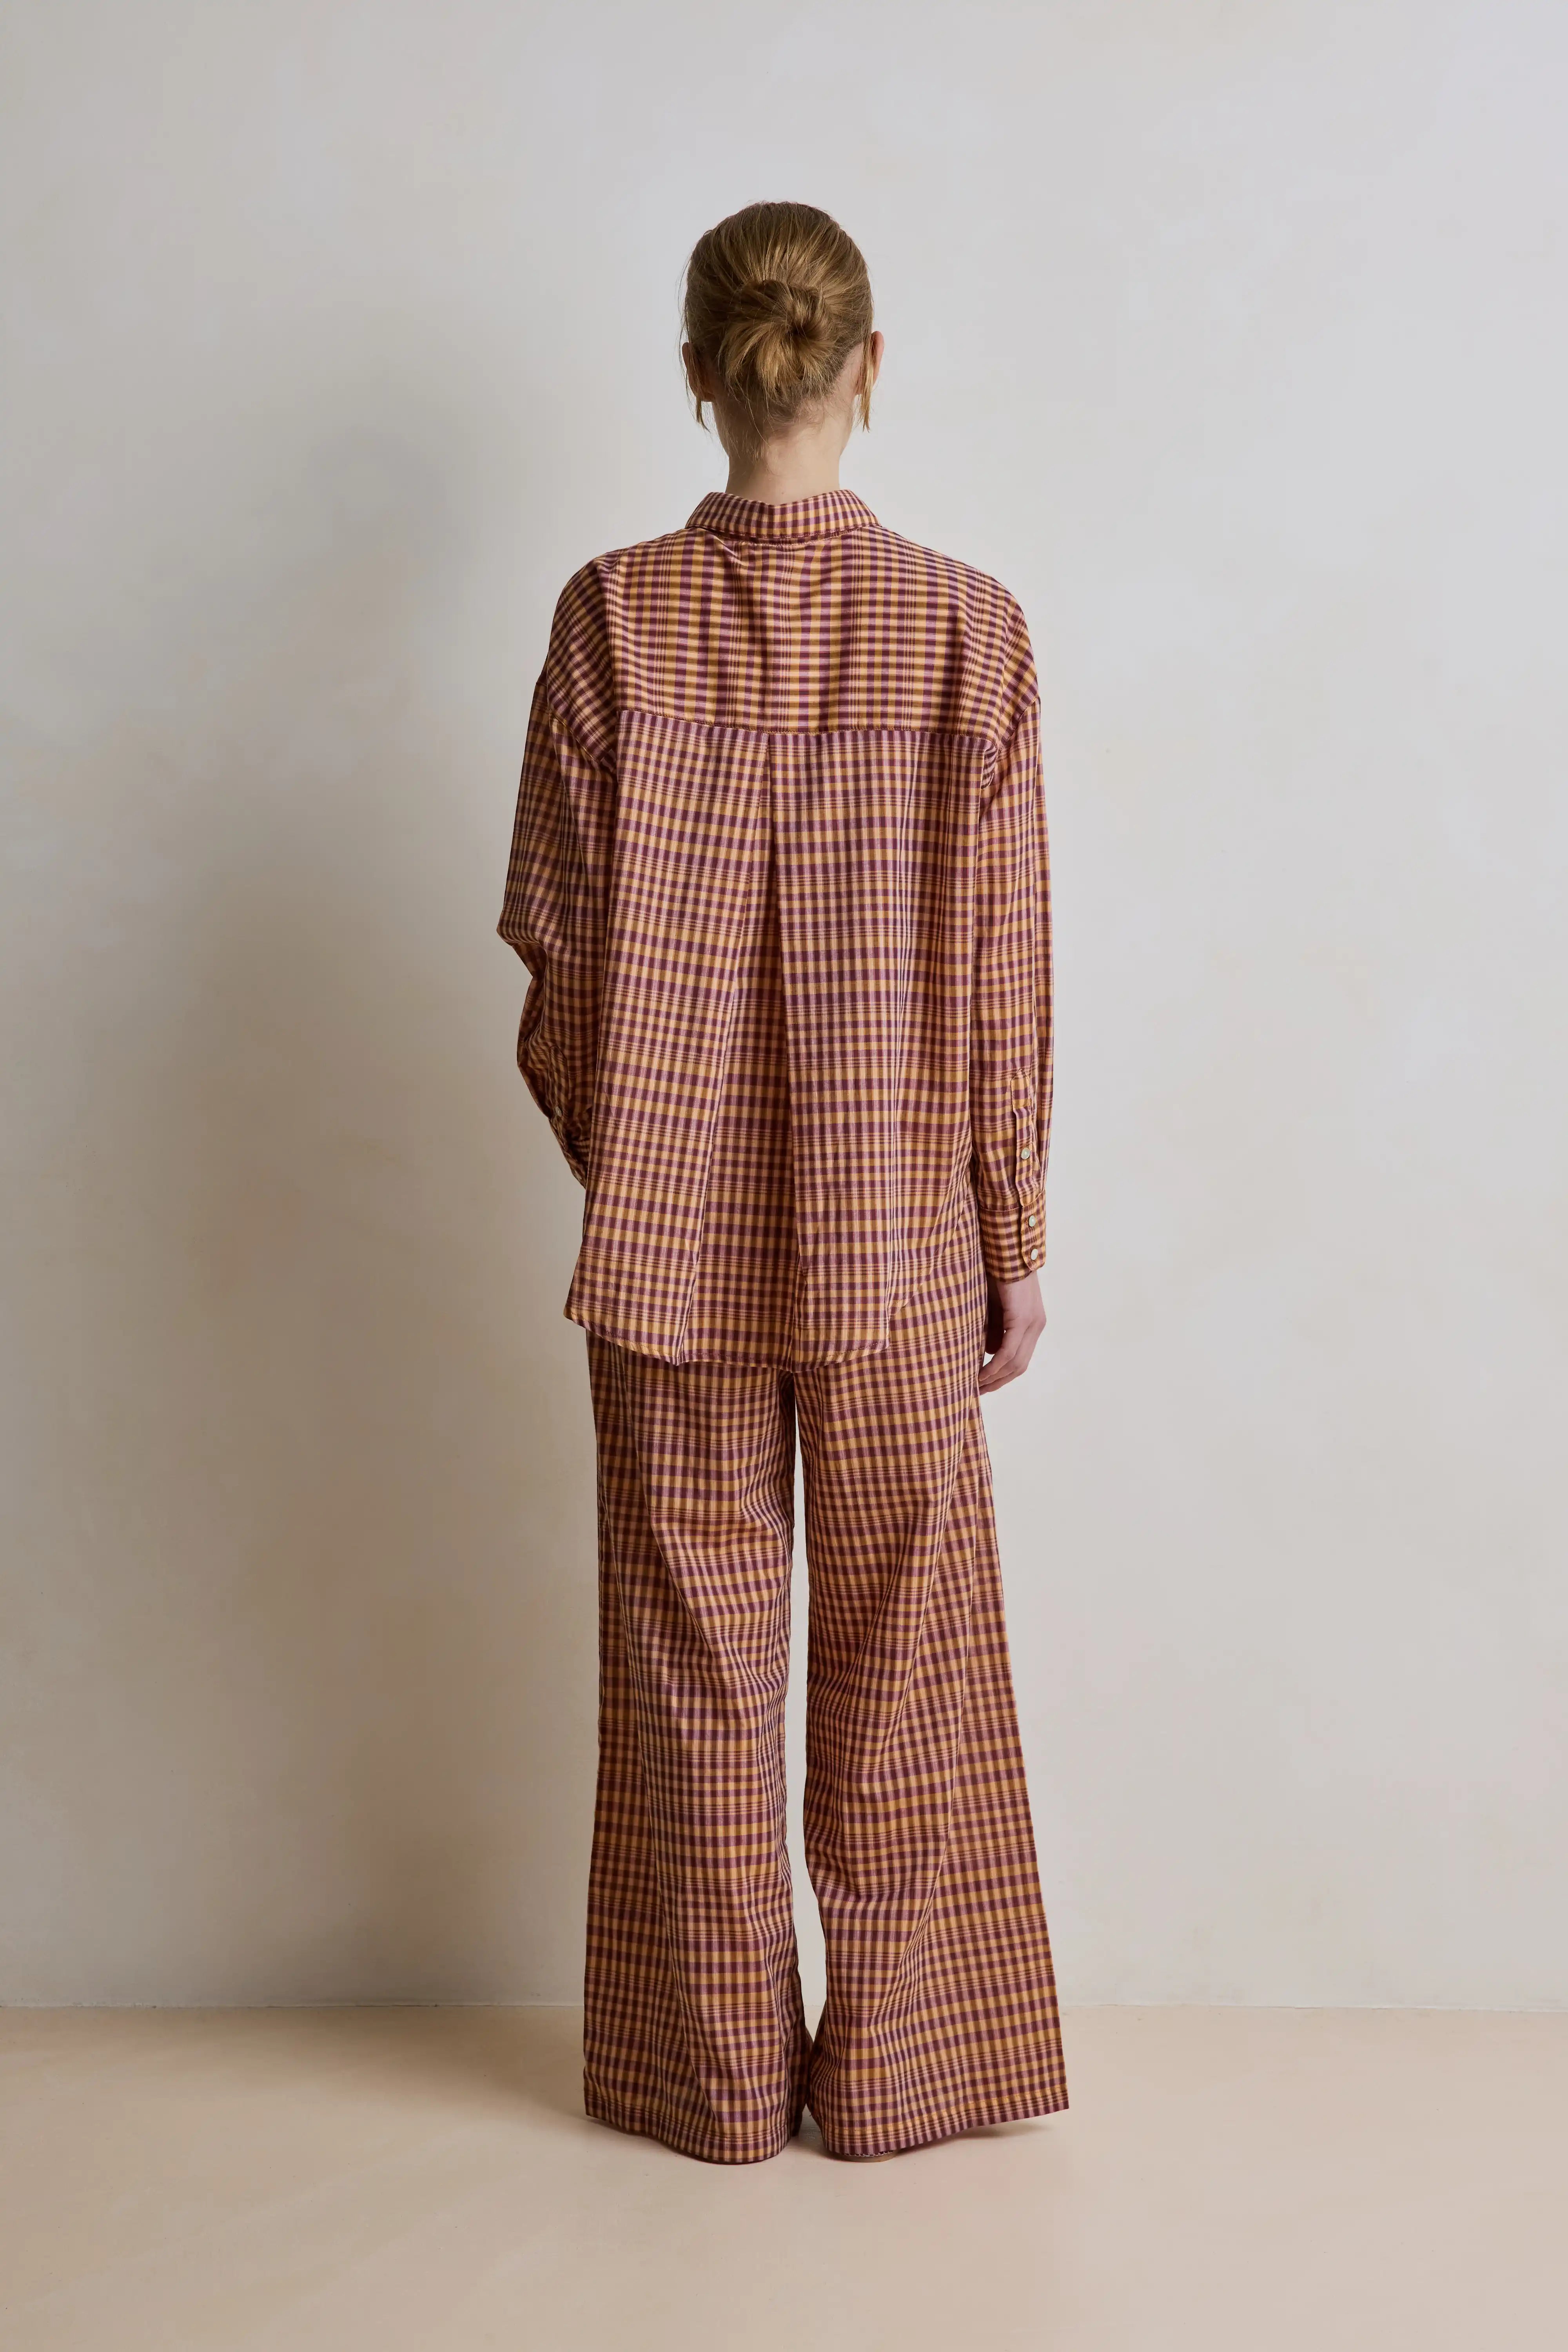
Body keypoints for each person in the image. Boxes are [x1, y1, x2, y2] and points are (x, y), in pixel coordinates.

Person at [498, 200, 1066, 2164]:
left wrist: (641, 1155)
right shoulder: (971, 629)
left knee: (692, 1666)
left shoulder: (609, 617)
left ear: (698, 372)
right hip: (905, 1235)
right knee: (909, 1658)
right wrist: (1011, 1234)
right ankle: (904, 2079)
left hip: (663, 1242)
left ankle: (713, 2085)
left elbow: (558, 959)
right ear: (867, 367)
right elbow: (1005, 974)